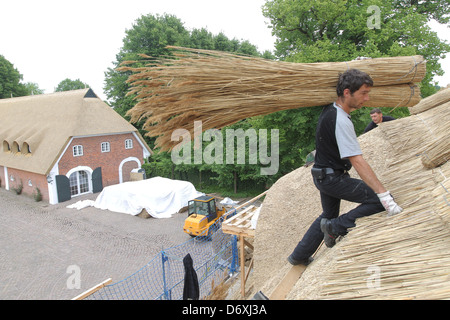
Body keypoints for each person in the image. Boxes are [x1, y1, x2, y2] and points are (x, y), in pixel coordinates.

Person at [287, 69, 403, 266]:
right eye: (363, 93)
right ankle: (334, 228)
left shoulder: (330, 108)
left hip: (322, 175)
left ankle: (299, 255)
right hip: (332, 178)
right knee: (376, 200)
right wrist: (383, 194)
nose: (367, 99)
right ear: (347, 92)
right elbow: (357, 160)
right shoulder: (340, 120)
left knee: (327, 214)